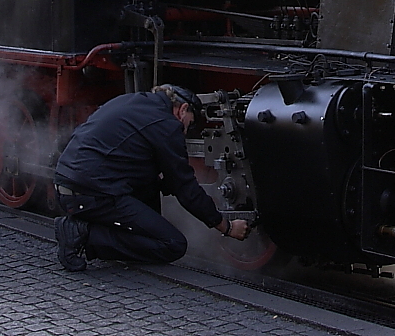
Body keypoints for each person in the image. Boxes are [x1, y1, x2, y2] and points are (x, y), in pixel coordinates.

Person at [52, 84, 250, 270]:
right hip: (90, 193)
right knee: (172, 244)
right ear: (183, 109)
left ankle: (92, 231)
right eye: (189, 125)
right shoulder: (167, 124)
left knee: (150, 191)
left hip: (72, 185)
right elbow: (185, 187)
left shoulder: (131, 102)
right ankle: (83, 235)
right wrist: (226, 226)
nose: (186, 131)